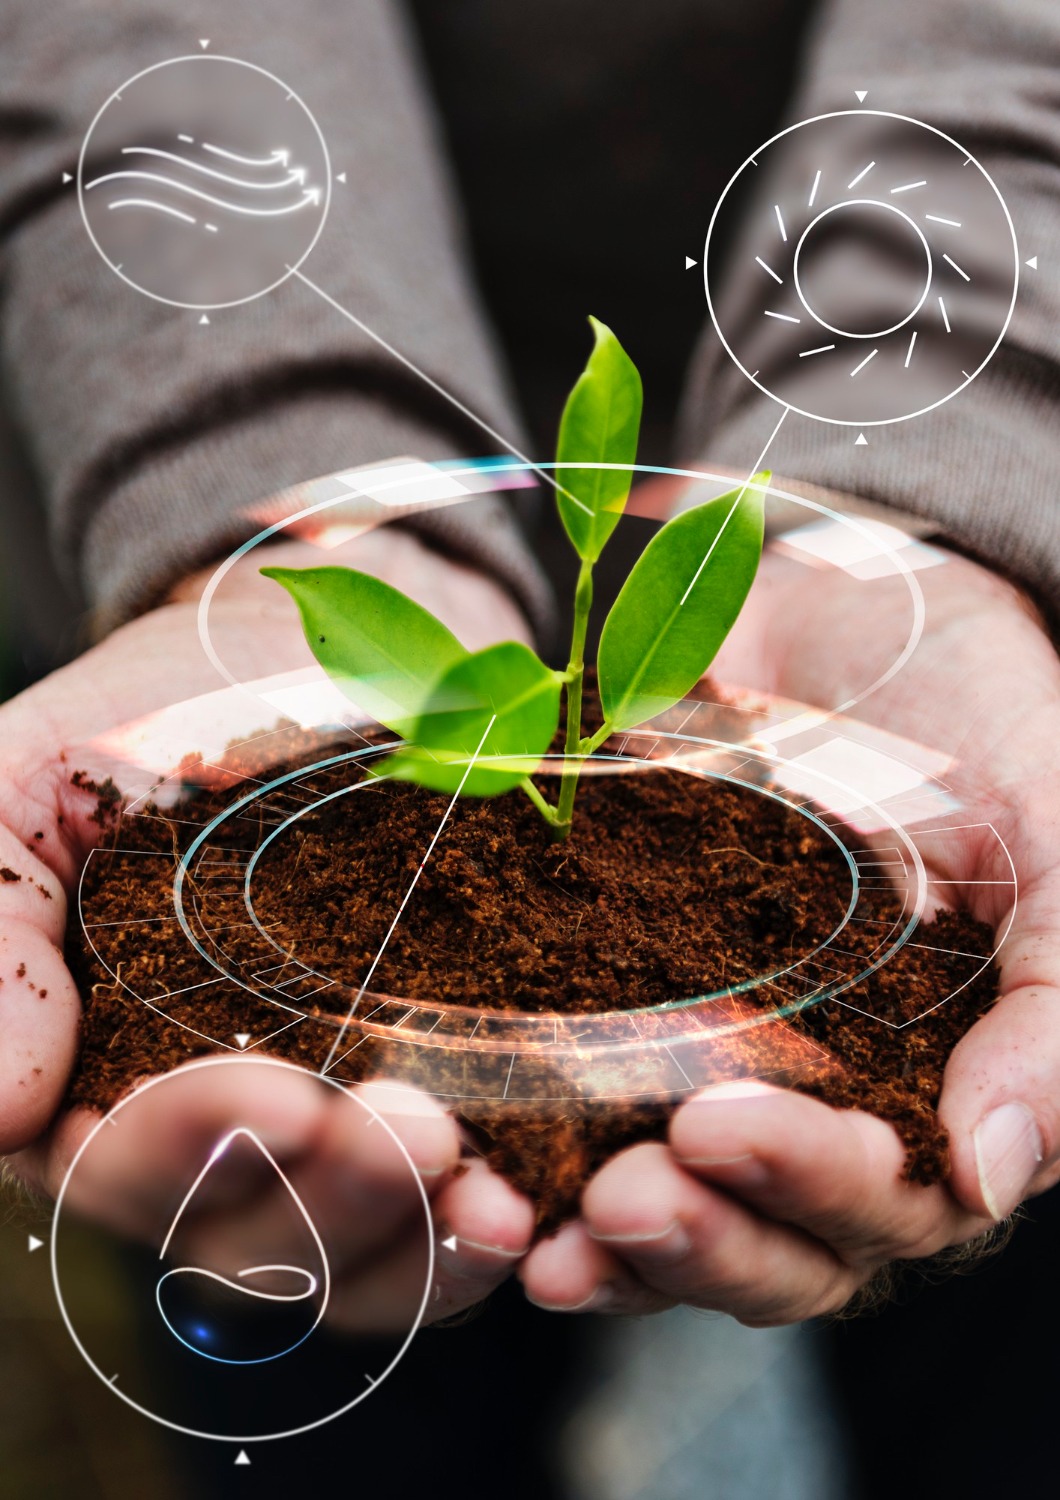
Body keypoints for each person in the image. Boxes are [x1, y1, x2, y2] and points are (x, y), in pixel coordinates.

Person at [1, 0, 1058, 1348]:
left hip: (974, 451)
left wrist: (943, 476)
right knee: (316, 1321)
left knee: (979, 1379)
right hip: (183, 422)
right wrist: (275, 479)